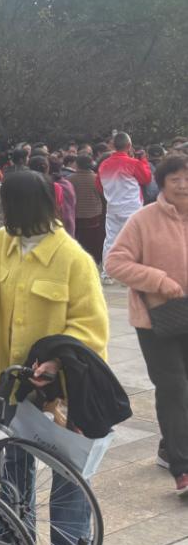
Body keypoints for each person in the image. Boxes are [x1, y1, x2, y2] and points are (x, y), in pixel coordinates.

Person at [0, 172, 108, 545]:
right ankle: (11, 540)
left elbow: (91, 325)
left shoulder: (73, 258)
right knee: (11, 456)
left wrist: (57, 360)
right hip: (14, 377)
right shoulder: (4, 242)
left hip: (63, 385)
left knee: (66, 463)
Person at [105, 154, 188, 495]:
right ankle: (183, 468)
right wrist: (158, 280)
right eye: (175, 179)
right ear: (162, 183)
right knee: (173, 387)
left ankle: (170, 447)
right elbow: (115, 262)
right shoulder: (143, 220)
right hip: (157, 320)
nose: (183, 185)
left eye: (187, 178)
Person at [98, 132, 152, 273]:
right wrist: (143, 160)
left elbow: (99, 185)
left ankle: (107, 273)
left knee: (110, 240)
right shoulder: (133, 163)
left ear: (113, 146)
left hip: (113, 207)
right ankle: (134, 272)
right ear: (129, 146)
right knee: (136, 240)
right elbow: (146, 179)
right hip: (132, 207)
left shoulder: (104, 164)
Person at [70, 155, 106, 264]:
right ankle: (95, 259)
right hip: (95, 214)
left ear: (77, 164)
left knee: (79, 240)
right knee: (95, 240)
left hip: (76, 215)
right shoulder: (97, 178)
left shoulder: (69, 179)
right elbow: (103, 196)